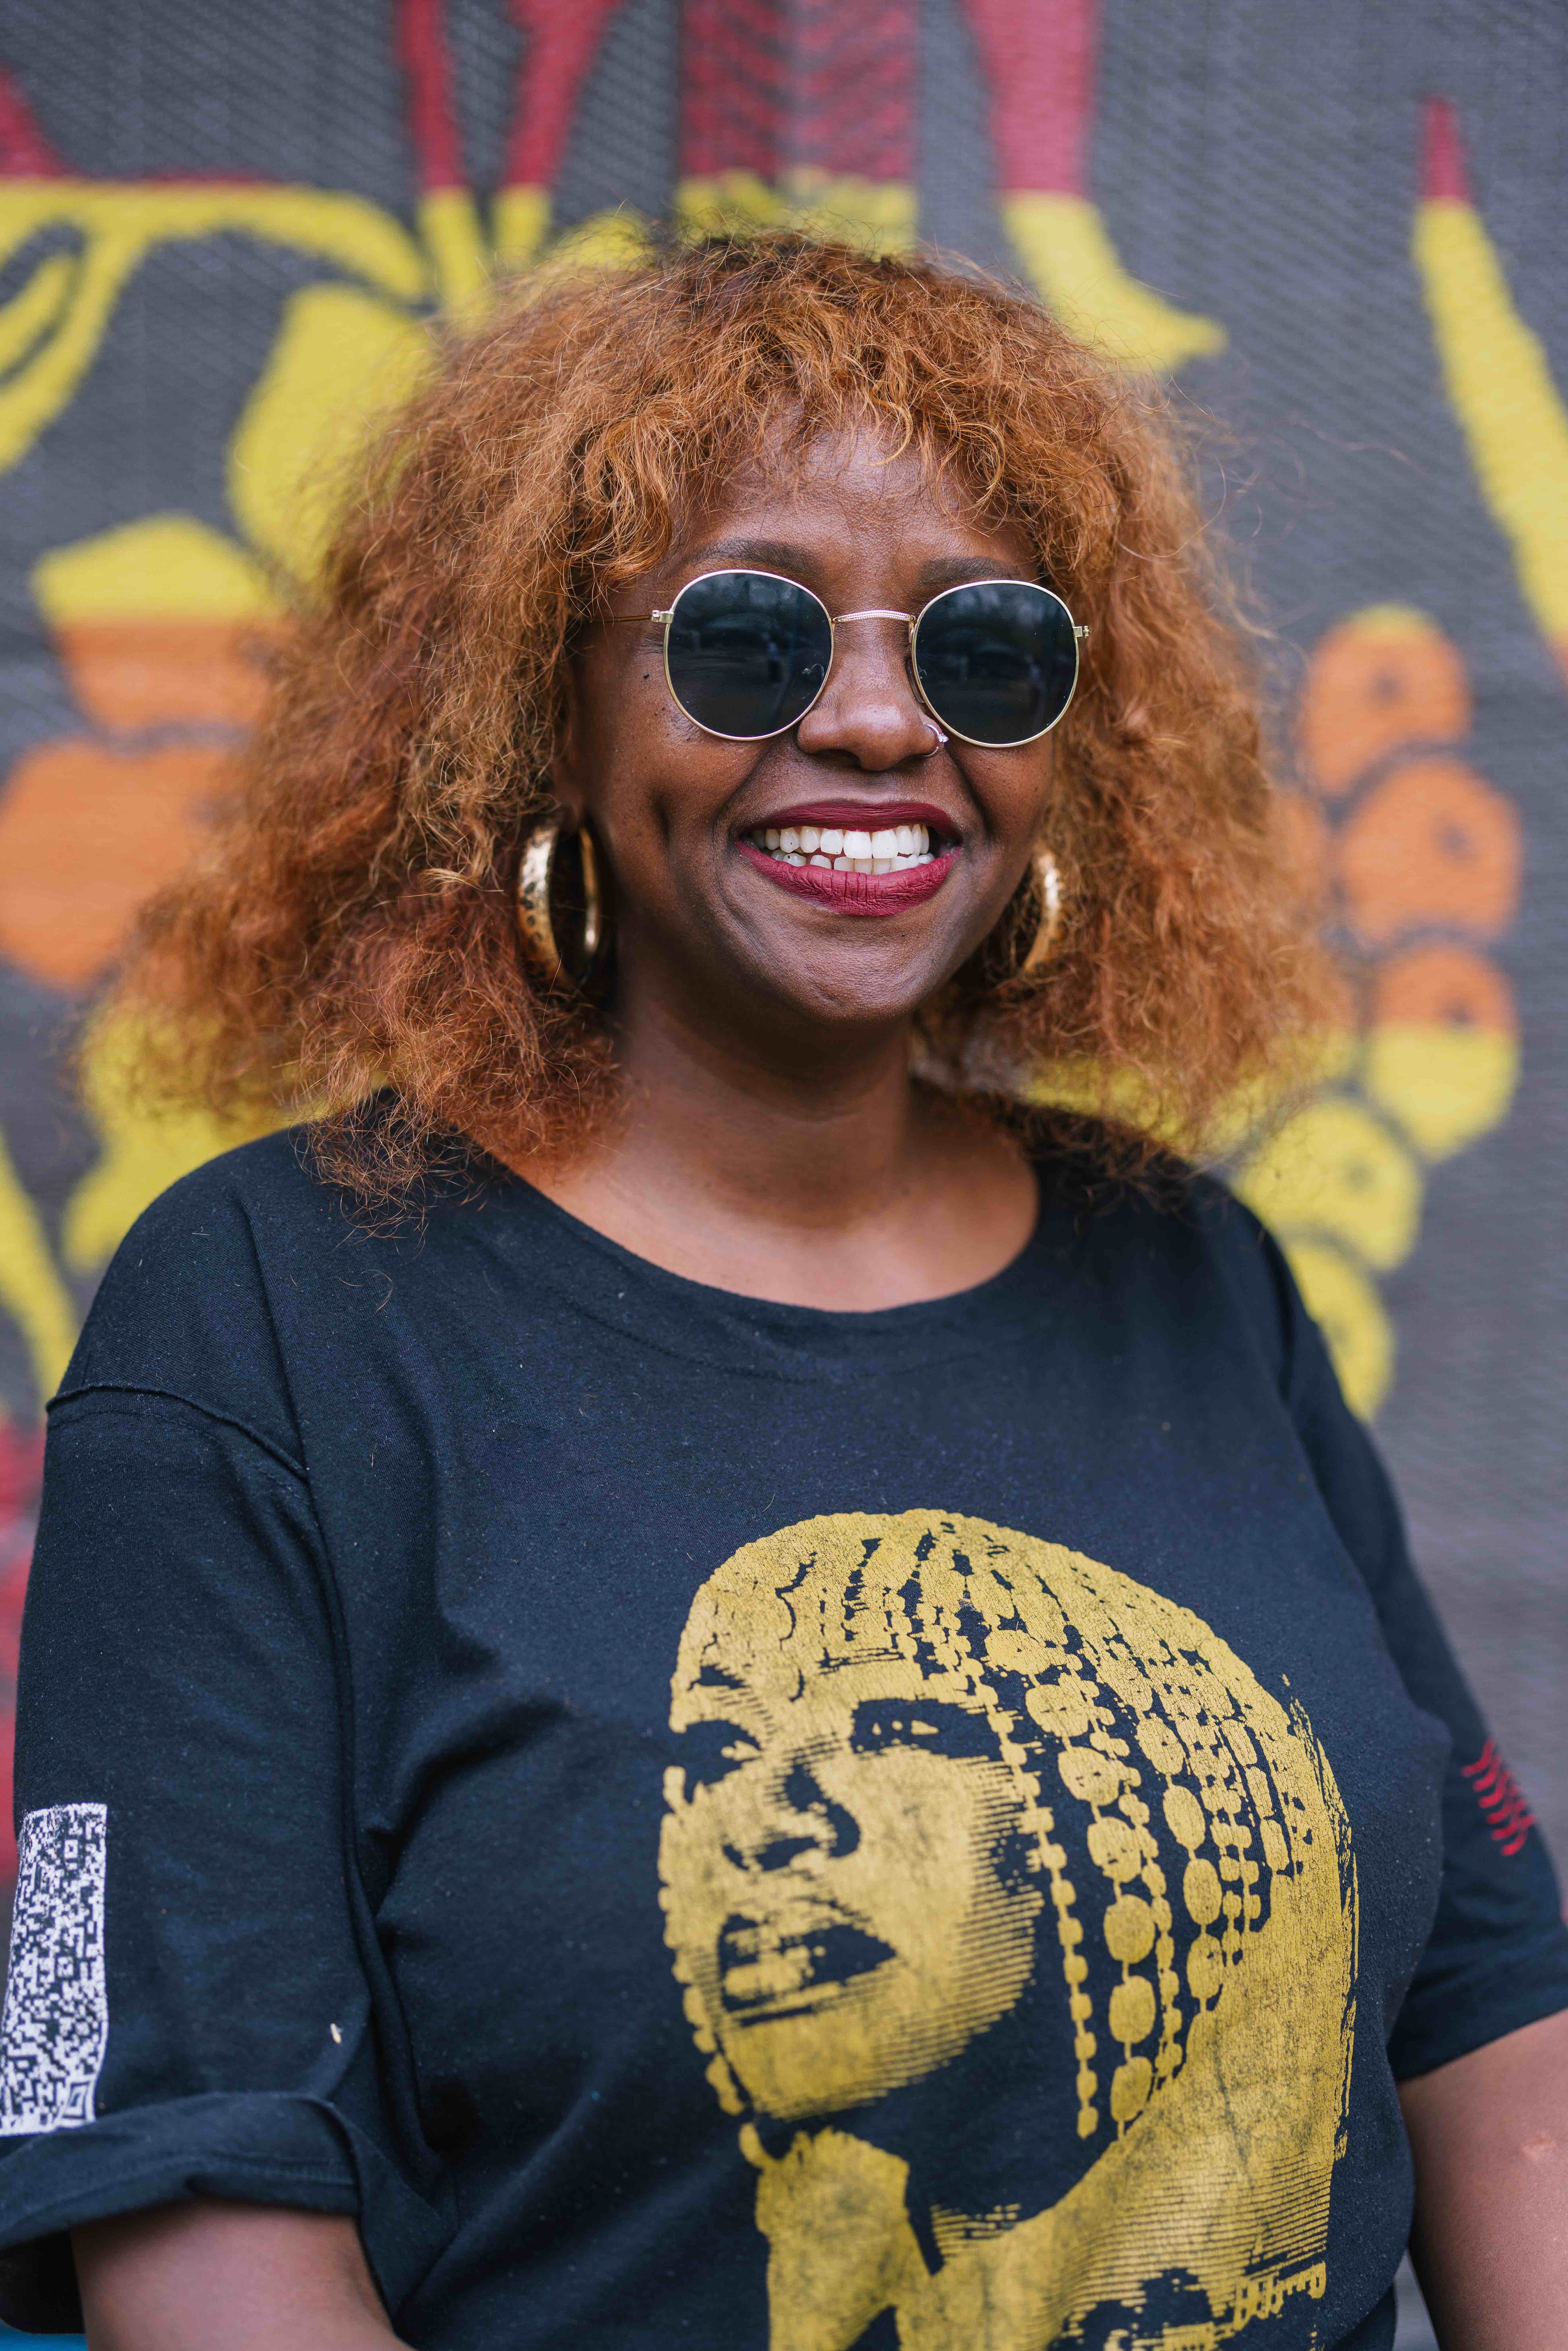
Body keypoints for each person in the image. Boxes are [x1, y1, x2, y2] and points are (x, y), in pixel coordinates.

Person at [0, 235, 1562, 2351]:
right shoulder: (273, 1311)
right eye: (745, 637)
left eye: (986, 652)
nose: (871, 716)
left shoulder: (1186, 1267)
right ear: (536, 700)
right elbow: (197, 2212)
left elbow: (1488, 2017)